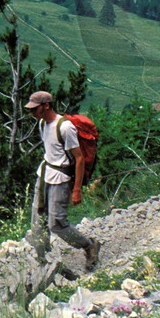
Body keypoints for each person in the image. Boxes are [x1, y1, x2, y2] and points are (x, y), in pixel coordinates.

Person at [24, 90, 101, 270]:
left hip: (61, 178)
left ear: (46, 106)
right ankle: (43, 260)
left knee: (57, 223)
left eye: (35, 109)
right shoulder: (42, 123)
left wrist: (76, 190)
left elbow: (79, 158)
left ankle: (89, 245)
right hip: (44, 174)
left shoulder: (65, 127)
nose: (33, 113)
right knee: (37, 220)